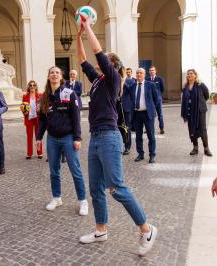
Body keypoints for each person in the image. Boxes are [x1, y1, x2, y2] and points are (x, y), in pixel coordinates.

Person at [76, 19, 157, 256]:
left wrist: (88, 26)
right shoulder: (98, 80)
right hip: (95, 138)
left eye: (105, 58)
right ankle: (100, 229)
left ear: (112, 64)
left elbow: (97, 52)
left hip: (110, 137)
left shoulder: (112, 78)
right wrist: (80, 36)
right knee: (96, 189)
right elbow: (82, 60)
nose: (100, 61)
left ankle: (147, 228)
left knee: (117, 188)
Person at [36, 66, 88, 216]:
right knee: (54, 171)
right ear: (48, 76)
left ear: (61, 76)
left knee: (75, 170)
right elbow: (42, 120)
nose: (54, 74)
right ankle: (57, 197)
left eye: (57, 72)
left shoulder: (69, 93)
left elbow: (76, 117)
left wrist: (77, 138)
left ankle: (83, 201)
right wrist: (39, 137)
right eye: (51, 72)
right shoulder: (44, 96)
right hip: (52, 139)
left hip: (68, 137)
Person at [180, 69, 212, 157]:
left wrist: (199, 103)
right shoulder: (185, 86)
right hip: (189, 111)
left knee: (202, 129)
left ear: (195, 75)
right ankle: (195, 148)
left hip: (200, 111)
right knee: (192, 129)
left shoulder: (200, 85)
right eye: (188, 74)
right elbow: (184, 99)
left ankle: (206, 148)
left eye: (191, 73)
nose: (189, 75)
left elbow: (206, 95)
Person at [131, 68, 159, 163]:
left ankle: (152, 155)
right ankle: (140, 154)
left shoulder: (150, 85)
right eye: (137, 72)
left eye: (141, 73)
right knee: (138, 136)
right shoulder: (133, 85)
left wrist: (152, 108)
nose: (139, 74)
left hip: (147, 114)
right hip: (137, 113)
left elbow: (156, 99)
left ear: (144, 74)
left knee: (151, 135)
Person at [21, 80, 42, 159]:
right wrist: (24, 113)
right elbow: (23, 107)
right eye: (30, 85)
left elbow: (43, 106)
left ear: (36, 86)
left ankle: (39, 153)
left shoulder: (40, 95)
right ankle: (29, 153)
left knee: (38, 136)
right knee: (29, 137)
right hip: (29, 118)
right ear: (28, 87)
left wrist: (40, 110)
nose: (32, 87)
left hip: (37, 118)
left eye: (34, 85)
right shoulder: (25, 96)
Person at [146, 66, 165, 134]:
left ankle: (161, 128)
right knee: (150, 115)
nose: (151, 72)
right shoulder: (147, 79)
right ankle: (150, 128)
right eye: (150, 70)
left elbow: (162, 88)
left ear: (155, 71)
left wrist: (158, 95)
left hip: (158, 100)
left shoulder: (159, 79)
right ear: (149, 72)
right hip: (150, 100)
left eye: (153, 70)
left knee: (160, 114)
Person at [117, 80, 133, 155]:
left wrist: (123, 81)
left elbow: (131, 90)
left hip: (126, 108)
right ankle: (119, 145)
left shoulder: (130, 81)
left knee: (127, 128)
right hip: (118, 108)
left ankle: (127, 147)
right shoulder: (115, 81)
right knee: (118, 127)